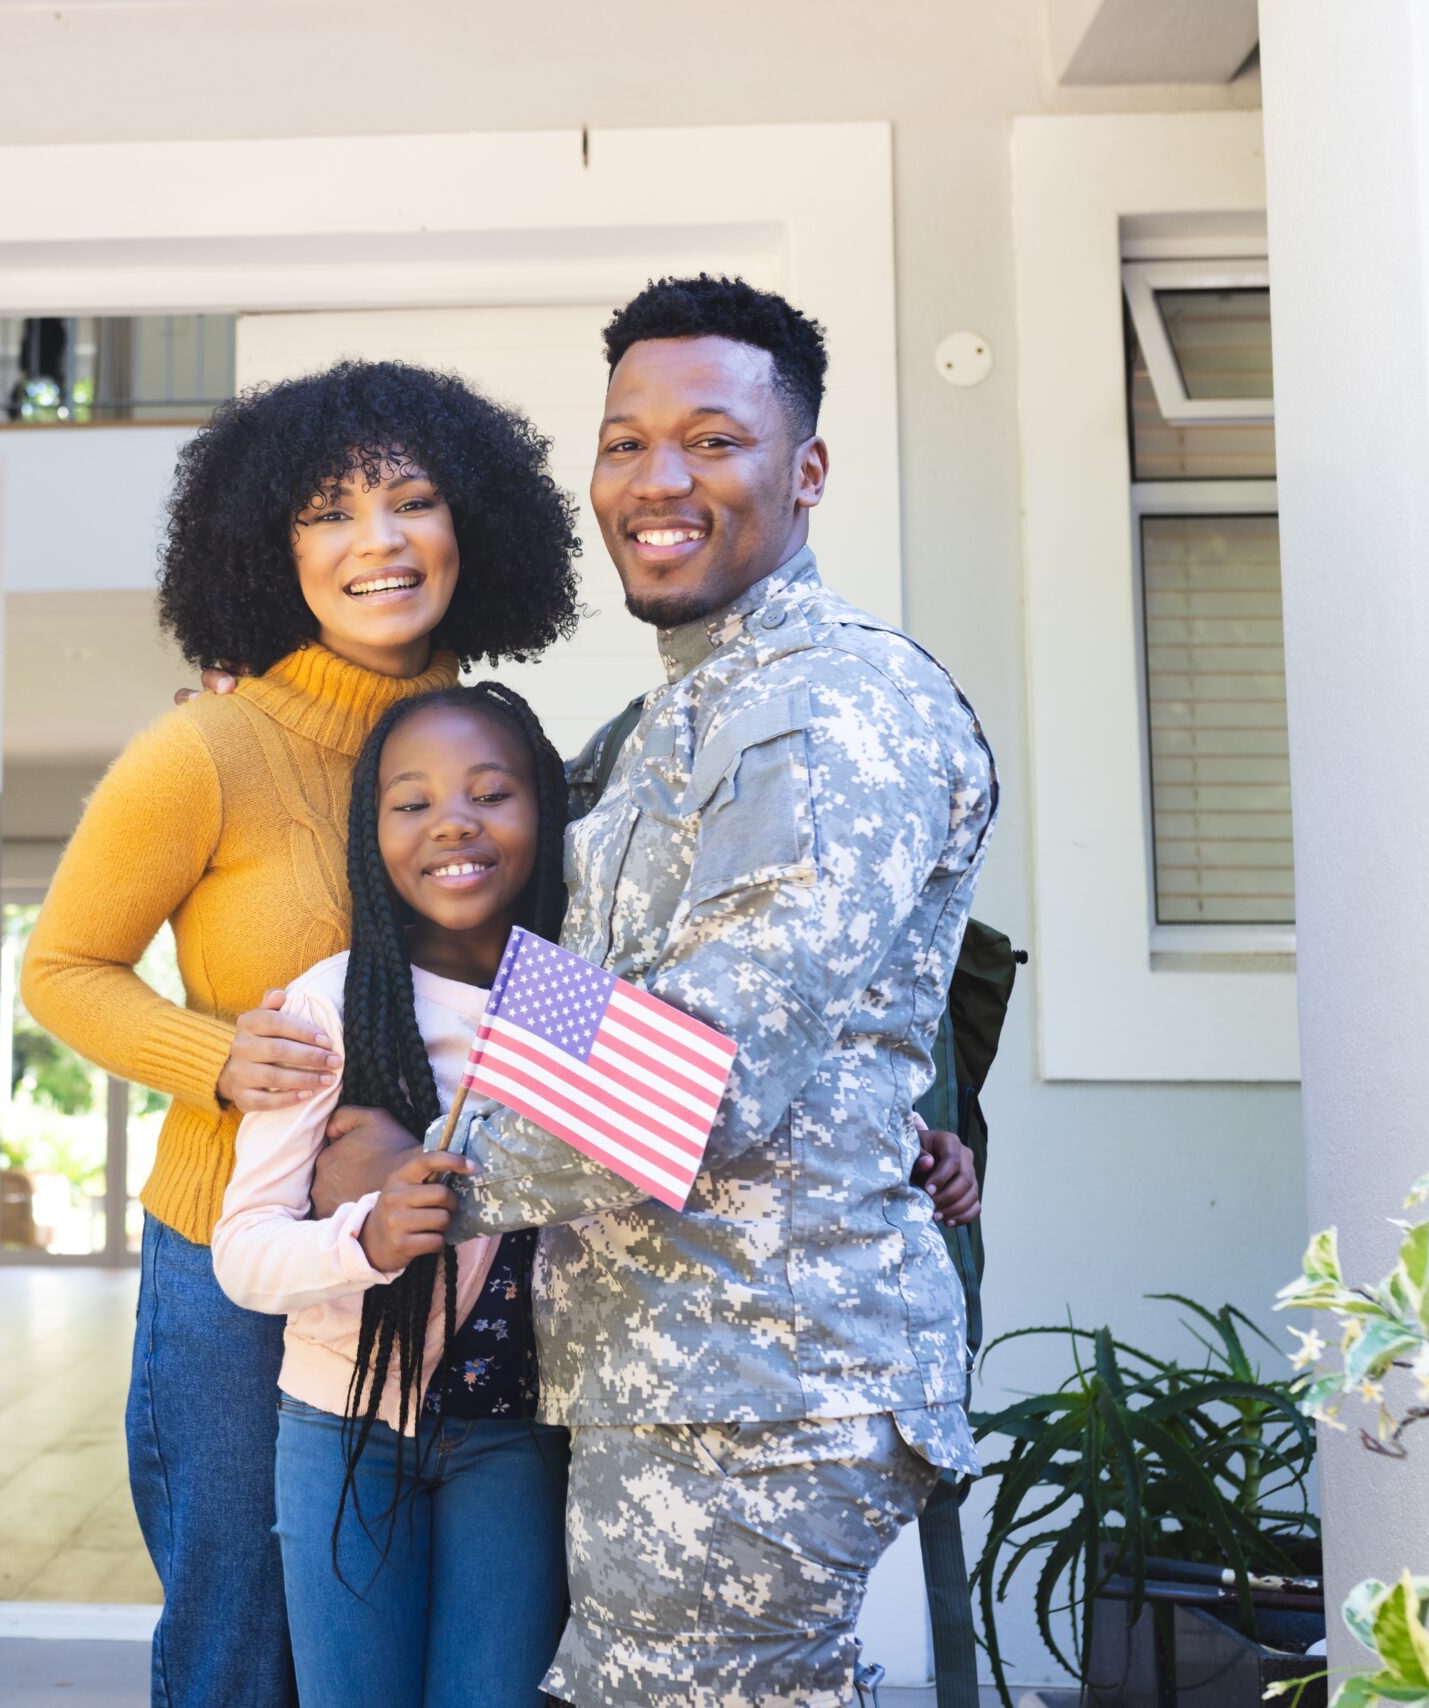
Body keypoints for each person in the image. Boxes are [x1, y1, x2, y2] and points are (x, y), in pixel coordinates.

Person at [343, 275, 1000, 1708]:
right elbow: (555, 985)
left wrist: (433, 1166)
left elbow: (686, 1076)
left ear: (805, 471)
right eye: (626, 441)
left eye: (712, 439)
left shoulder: (825, 707)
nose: (658, 480)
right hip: (672, 1365)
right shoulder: (670, 723)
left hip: (759, 1383)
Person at [19, 359, 583, 1708]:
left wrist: (882, 1125)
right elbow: (63, 967)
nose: (376, 542)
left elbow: (561, 985)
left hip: (459, 1279)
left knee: (448, 1653)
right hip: (237, 1260)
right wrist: (213, 1059)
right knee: (242, 1641)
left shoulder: (506, 757)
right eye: (328, 512)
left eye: (412, 500)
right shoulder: (208, 747)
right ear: (271, 548)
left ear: (475, 527)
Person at [210, 683, 575, 1708]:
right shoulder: (332, 1001)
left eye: (490, 793)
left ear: (543, 812)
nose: (452, 820)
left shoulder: (570, 999)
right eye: (410, 802)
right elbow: (242, 1250)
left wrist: (908, 1143)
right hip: (342, 1428)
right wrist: (364, 1237)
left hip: (513, 1433)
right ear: (371, 836)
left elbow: (703, 1119)